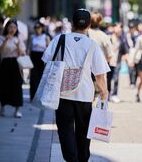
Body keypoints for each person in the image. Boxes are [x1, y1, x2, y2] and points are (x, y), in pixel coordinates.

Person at [42, 9, 110, 162]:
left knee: (65, 130)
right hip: (85, 95)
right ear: (88, 25)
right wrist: (104, 92)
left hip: (62, 93)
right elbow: (99, 74)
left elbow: (46, 60)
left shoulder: (60, 39)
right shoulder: (92, 45)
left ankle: (71, 159)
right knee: (84, 131)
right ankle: (83, 158)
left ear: (72, 24)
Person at [0, 20, 26, 118]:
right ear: (7, 28)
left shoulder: (18, 39)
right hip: (5, 63)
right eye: (10, 27)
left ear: (16, 29)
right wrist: (5, 41)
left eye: (14, 27)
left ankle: (18, 110)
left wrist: (17, 45)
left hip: (16, 64)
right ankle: (3, 106)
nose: (12, 29)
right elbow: (0, 51)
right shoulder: (1, 38)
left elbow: (22, 53)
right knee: (4, 85)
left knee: (17, 86)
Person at [87, 12, 113, 99]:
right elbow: (109, 55)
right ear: (100, 22)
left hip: (85, 69)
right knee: (100, 96)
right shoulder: (104, 36)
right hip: (99, 70)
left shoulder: (84, 34)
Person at [28, 22, 50, 101]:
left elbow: (49, 49)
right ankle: (33, 95)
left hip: (42, 57)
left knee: (41, 76)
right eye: (36, 28)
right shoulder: (32, 37)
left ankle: (41, 96)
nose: (37, 29)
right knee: (33, 77)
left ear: (42, 29)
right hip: (33, 57)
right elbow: (29, 48)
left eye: (39, 28)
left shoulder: (45, 37)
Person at [108, 23, 129, 103]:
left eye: (120, 28)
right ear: (114, 28)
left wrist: (127, 58)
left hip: (117, 61)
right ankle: (108, 94)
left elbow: (125, 50)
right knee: (108, 79)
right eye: (117, 28)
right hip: (108, 62)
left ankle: (114, 95)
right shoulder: (108, 38)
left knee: (116, 79)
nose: (119, 29)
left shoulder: (122, 39)